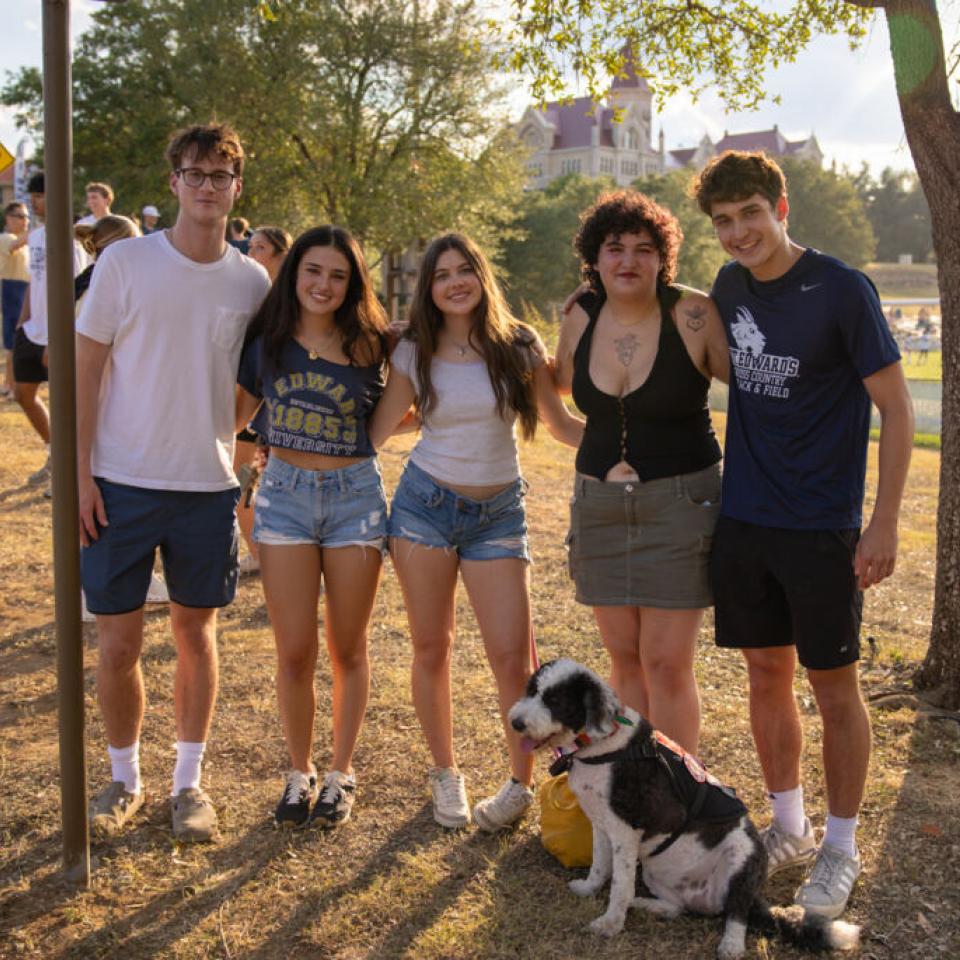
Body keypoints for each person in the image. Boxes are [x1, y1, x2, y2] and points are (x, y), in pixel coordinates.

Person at [691, 150, 913, 918]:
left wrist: (881, 522)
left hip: (822, 525)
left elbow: (898, 410)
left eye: (750, 213)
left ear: (780, 208)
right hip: (746, 518)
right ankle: (787, 825)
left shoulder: (844, 290)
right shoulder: (728, 285)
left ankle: (840, 848)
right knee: (763, 675)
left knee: (833, 687)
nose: (739, 232)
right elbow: (732, 364)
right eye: (723, 222)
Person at [76, 122, 271, 842]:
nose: (207, 186)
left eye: (221, 175)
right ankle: (123, 776)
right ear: (173, 183)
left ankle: (188, 785)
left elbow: (253, 381)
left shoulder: (252, 281)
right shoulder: (125, 263)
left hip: (205, 486)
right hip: (118, 483)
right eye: (195, 173)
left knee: (197, 635)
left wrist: (232, 431)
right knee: (119, 644)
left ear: (237, 187)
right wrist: (81, 477)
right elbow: (87, 369)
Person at [369, 232, 583, 831]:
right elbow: (379, 430)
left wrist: (637, 443)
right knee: (432, 647)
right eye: (442, 275)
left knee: (512, 658)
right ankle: (445, 773)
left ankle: (518, 783)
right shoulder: (413, 350)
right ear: (429, 289)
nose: (455, 282)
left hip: (498, 516)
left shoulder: (517, 345)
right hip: (424, 509)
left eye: (465, 270)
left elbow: (562, 424)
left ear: (481, 276)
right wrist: (296, 459)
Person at [554, 191, 728, 757]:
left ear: (663, 258)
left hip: (680, 505)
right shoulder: (581, 314)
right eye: (614, 248)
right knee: (625, 660)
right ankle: (634, 784)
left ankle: (680, 793)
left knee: (666, 661)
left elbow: (753, 392)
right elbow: (555, 383)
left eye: (643, 249)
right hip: (599, 509)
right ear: (595, 259)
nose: (628, 260)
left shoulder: (693, 313)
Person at [236, 225, 389, 828]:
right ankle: (299, 773)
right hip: (285, 499)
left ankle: (341, 773)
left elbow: (408, 407)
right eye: (313, 271)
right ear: (294, 274)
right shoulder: (267, 341)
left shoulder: (376, 343)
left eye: (338, 275)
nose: (323, 285)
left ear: (352, 285)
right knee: (295, 651)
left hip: (355, 498)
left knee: (347, 647)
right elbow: (234, 415)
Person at [13, 172, 89, 490]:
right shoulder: (37, 236)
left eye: (40, 196)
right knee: (23, 394)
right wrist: (22, 322)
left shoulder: (72, 239)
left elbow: (78, 292)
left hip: (60, 335)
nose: (35, 202)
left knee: (65, 403)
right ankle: (54, 453)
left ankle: (69, 466)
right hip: (32, 330)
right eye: (33, 197)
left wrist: (61, 337)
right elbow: (36, 281)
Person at [234, 224, 293, 574]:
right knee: (245, 485)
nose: (251, 254)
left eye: (259, 248)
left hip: (274, 412)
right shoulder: (248, 292)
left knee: (255, 485)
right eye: (250, 246)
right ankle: (257, 553)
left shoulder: (291, 298)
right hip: (247, 402)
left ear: (281, 255)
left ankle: (268, 556)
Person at [0, 201, 30, 398]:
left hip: (21, 288)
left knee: (17, 338)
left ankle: (8, 383)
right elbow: (13, 246)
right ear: (8, 218)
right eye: (20, 216)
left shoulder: (23, 239)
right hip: (11, 287)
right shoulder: (6, 237)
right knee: (13, 340)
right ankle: (9, 384)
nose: (25, 221)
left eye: (26, 216)